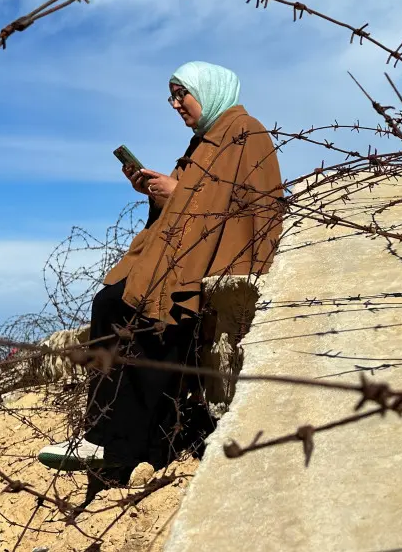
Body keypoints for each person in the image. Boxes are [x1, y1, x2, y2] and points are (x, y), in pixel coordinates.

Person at [38, 61, 283, 486]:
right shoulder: (205, 141)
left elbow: (241, 207)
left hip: (214, 261)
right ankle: (128, 444)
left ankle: (113, 445)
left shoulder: (245, 132)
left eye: (181, 94)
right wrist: (156, 191)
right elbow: (189, 207)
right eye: (171, 96)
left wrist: (178, 191)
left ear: (208, 90)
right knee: (117, 303)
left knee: (135, 315)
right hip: (186, 256)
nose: (175, 104)